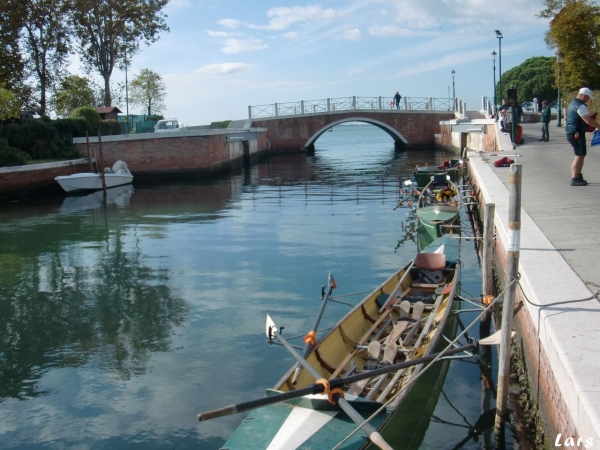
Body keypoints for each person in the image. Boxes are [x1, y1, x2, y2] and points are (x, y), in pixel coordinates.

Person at [565, 87, 600, 186]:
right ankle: (575, 177)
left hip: (572, 132)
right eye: (587, 98)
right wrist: (598, 126)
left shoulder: (572, 103)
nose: (588, 100)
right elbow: (588, 120)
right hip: (577, 133)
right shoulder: (580, 106)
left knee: (580, 154)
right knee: (579, 155)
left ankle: (578, 175)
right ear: (583, 96)